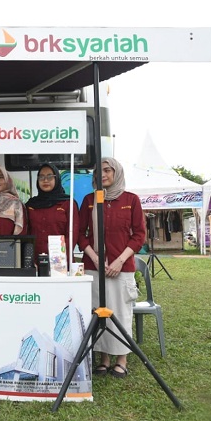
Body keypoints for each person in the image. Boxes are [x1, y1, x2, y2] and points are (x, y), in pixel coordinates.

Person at [78, 157, 146, 379]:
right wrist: (95, 258)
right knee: (98, 312)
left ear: (117, 173)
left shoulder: (131, 200)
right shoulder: (90, 200)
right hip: (94, 266)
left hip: (122, 267)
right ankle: (104, 358)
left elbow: (139, 235)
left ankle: (121, 360)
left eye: (107, 170)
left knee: (120, 313)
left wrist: (119, 261)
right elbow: (80, 234)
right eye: (98, 172)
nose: (103, 175)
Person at [26, 163, 79, 260]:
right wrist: (29, 260)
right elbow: (26, 235)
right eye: (41, 177)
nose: (45, 180)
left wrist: (59, 260)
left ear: (57, 179)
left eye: (50, 176)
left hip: (61, 261)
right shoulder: (31, 205)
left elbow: (73, 236)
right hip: (35, 261)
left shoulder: (68, 203)